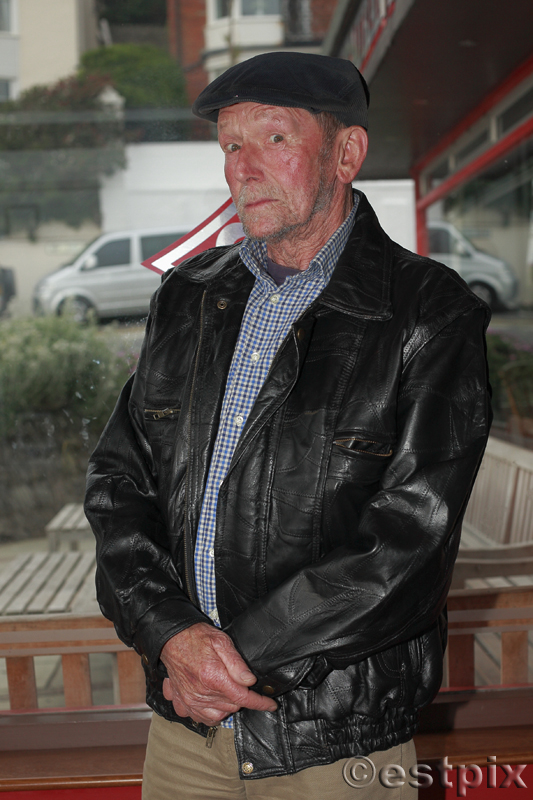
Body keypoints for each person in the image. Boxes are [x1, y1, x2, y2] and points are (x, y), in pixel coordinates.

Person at [85, 52, 492, 799]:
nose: (243, 169)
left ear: (346, 153)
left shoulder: (428, 312)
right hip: (185, 729)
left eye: (274, 139)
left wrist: (224, 664)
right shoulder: (186, 297)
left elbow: (409, 542)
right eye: (230, 145)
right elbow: (118, 486)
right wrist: (171, 635)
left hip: (333, 737)